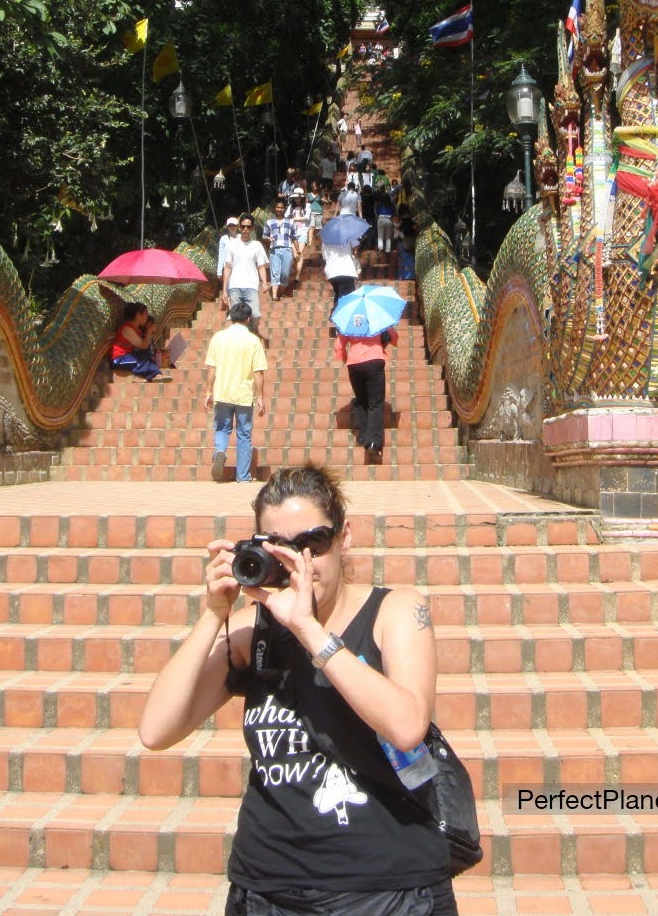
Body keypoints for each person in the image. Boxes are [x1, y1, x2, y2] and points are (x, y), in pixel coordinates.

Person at [138, 464, 458, 916]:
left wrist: (309, 630)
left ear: (344, 537)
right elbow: (156, 730)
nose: (301, 562)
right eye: (283, 548)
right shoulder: (255, 632)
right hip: (266, 889)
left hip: (386, 890)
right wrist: (213, 613)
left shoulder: (396, 612)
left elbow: (407, 726)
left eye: (314, 543)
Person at [202, 300, 267, 483]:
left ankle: (220, 451)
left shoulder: (218, 338)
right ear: (248, 319)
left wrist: (208, 393)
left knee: (222, 428)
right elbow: (258, 372)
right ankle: (243, 476)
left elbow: (211, 369)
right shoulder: (253, 341)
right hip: (244, 394)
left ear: (230, 317)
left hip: (222, 391)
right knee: (244, 434)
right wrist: (260, 397)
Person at [334, 323, 398, 463]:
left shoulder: (349, 320)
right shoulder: (377, 317)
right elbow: (394, 337)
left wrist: (346, 359)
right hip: (374, 361)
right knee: (376, 403)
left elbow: (338, 345)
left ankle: (363, 436)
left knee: (361, 400)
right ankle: (374, 443)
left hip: (354, 363)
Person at [222, 214, 270, 329]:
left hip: (251, 286)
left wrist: (264, 282)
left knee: (255, 315)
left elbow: (261, 266)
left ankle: (251, 333)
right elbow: (227, 267)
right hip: (235, 286)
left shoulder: (256, 245)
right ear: (239, 227)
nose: (245, 229)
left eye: (248, 227)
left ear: (252, 228)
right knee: (235, 317)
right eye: (243, 226)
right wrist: (224, 289)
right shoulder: (231, 245)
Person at [110, 301, 164, 381]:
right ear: (138, 315)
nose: (146, 317)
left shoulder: (137, 329)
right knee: (141, 361)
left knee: (147, 355)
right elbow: (143, 346)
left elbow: (146, 347)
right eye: (145, 314)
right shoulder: (127, 329)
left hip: (129, 354)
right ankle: (153, 375)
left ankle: (150, 374)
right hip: (119, 358)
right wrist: (148, 332)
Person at [263, 197, 300, 301]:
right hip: (274, 250)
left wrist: (298, 251)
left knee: (285, 274)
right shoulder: (269, 222)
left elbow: (294, 237)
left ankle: (280, 292)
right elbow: (264, 236)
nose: (279, 209)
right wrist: (267, 239)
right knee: (275, 273)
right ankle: (275, 296)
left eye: (282, 208)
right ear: (275, 208)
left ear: (284, 209)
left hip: (287, 249)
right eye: (278, 207)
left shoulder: (290, 222)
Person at [287, 189, 311, 284]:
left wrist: (294, 219)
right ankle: (296, 272)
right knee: (295, 255)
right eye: (295, 198)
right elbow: (286, 217)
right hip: (292, 233)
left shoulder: (307, 206)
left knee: (300, 253)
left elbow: (306, 217)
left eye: (299, 198)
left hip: (302, 232)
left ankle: (297, 275)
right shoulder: (290, 207)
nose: (297, 200)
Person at [217, 217, 241, 303]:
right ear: (227, 227)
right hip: (227, 267)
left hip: (239, 268)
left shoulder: (241, 237)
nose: (232, 227)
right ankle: (231, 310)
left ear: (237, 226)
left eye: (234, 225)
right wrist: (219, 271)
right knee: (229, 288)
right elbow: (221, 255)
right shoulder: (224, 239)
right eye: (230, 225)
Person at [374, 190, 396, 254]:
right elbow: (394, 212)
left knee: (380, 236)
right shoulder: (391, 204)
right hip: (389, 220)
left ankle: (380, 249)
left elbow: (377, 212)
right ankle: (388, 250)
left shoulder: (379, 204)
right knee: (388, 236)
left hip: (381, 219)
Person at [307, 179, 324, 246]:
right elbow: (306, 202)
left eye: (316, 185)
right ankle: (310, 243)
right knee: (311, 227)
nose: (314, 187)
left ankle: (319, 243)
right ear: (311, 186)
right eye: (313, 186)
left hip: (319, 212)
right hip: (311, 212)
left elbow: (324, 200)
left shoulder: (320, 195)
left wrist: (324, 199)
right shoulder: (308, 194)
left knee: (319, 228)